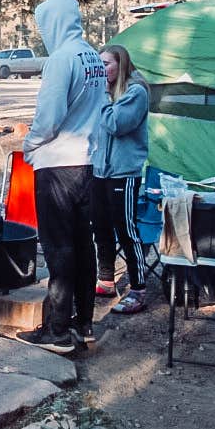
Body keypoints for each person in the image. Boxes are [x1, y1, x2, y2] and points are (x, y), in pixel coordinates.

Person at [17, 0, 107, 354]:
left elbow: (50, 115)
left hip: (58, 165)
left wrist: (31, 144)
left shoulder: (61, 59)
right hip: (89, 162)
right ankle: (83, 323)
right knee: (85, 246)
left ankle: (56, 331)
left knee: (59, 248)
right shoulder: (92, 56)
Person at [91, 45, 152, 314]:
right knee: (101, 228)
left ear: (121, 65)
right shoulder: (106, 92)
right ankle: (106, 279)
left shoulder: (136, 92)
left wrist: (102, 95)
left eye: (107, 64)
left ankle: (138, 288)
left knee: (126, 230)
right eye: (100, 64)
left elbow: (117, 124)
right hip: (99, 170)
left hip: (123, 173)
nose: (103, 69)